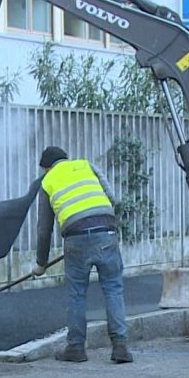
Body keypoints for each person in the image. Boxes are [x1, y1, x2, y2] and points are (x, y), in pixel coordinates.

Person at [34, 146, 133, 364]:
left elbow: (44, 229)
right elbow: (112, 197)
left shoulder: (47, 182)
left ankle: (76, 348)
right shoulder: (87, 165)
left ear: (46, 167)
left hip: (76, 238)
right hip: (106, 233)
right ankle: (120, 347)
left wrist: (41, 263)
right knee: (113, 289)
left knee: (77, 294)